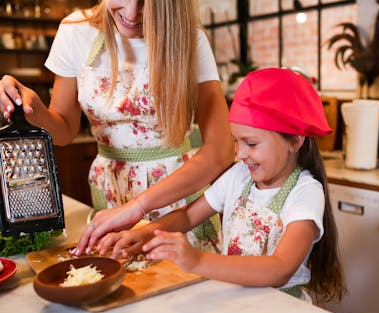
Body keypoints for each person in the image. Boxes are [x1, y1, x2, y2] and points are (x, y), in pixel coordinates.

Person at [0, 1, 234, 254]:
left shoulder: (189, 37)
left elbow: (221, 150)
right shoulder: (75, 32)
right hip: (111, 188)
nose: (132, 14)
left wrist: (137, 206)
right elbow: (65, 131)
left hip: (179, 196)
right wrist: (34, 107)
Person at [97, 67, 346, 302]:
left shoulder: (305, 192)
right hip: (236, 299)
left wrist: (196, 260)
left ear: (295, 140)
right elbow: (187, 217)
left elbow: (280, 268)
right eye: (236, 141)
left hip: (281, 310)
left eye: (251, 143)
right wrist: (140, 235)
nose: (240, 154)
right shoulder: (239, 176)